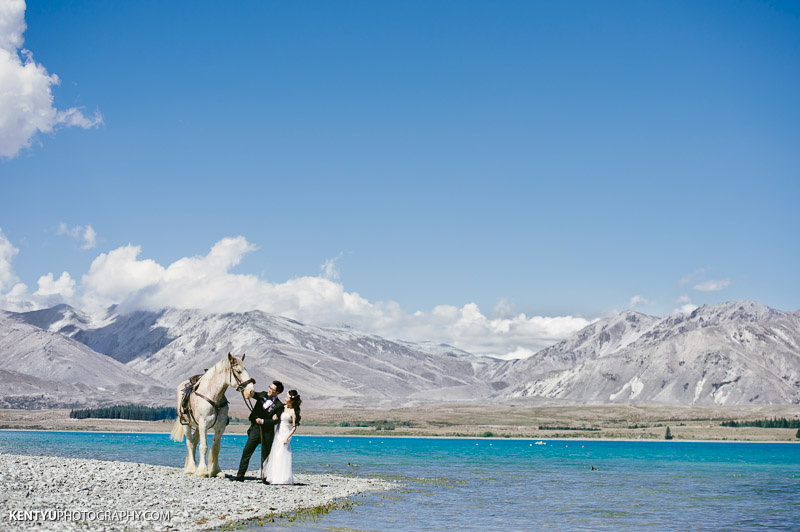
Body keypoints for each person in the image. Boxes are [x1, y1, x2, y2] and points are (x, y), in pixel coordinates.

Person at [231, 380, 284, 481]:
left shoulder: (279, 406)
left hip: (267, 433)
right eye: (270, 387)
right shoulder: (263, 394)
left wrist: (263, 421)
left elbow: (275, 422)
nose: (270, 390)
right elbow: (253, 394)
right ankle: (240, 475)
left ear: (278, 393)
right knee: (247, 451)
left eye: (272, 389)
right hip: (255, 429)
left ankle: (266, 476)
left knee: (266, 455)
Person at [263, 389, 301, 485]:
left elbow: (294, 427)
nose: (285, 398)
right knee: (275, 454)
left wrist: (287, 438)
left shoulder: (293, 412)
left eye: (287, 397)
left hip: (285, 434)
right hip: (278, 433)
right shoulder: (283, 407)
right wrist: (275, 416)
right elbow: (277, 414)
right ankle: (273, 476)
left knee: (283, 454)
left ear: (291, 400)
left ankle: (283, 478)